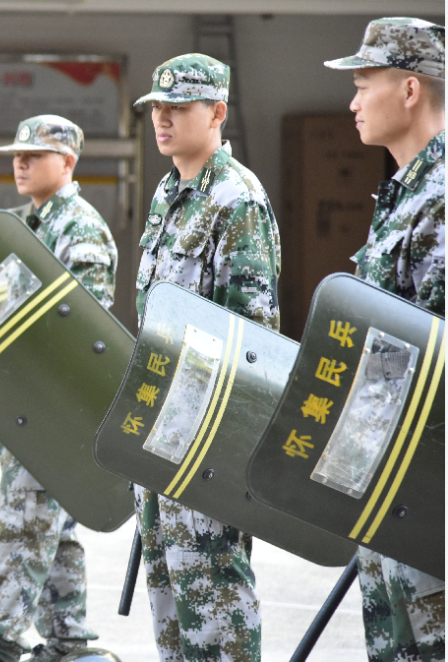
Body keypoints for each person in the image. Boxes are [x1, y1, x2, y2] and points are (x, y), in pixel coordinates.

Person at [132, 54, 281, 662]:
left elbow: (254, 335)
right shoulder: (171, 193)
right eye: (156, 109)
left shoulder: (236, 199)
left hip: (208, 430)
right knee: (171, 587)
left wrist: (227, 442)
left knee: (214, 586)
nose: (162, 120)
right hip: (161, 421)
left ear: (217, 113)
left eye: (178, 108)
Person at [0, 115, 118, 662]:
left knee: (23, 519)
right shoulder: (28, 223)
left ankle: (2, 642)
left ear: (68, 163)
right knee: (54, 522)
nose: (20, 164)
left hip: (59, 401)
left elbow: (79, 328)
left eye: (34, 155)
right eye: (16, 154)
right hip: (27, 398)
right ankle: (70, 640)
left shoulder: (81, 228)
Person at [324, 17, 445, 662]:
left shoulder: (442, 195)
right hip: (385, 476)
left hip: (427, 480)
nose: (350, 102)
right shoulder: (403, 191)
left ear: (408, 90)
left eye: (363, 83)